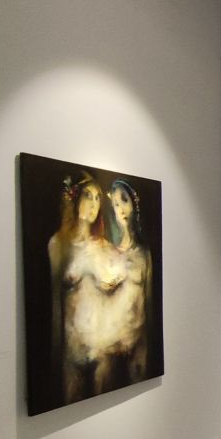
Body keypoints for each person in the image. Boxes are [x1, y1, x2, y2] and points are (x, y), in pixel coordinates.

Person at [47, 172, 122, 403]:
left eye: (98, 199)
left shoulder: (105, 248)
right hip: (72, 346)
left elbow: (116, 293)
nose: (93, 204)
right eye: (88, 196)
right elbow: (55, 301)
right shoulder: (59, 244)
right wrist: (56, 346)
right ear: (75, 198)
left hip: (101, 345)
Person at [93, 179, 152, 392]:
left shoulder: (144, 253)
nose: (121, 209)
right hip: (110, 346)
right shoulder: (109, 253)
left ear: (133, 204)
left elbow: (149, 306)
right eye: (116, 204)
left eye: (124, 201)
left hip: (136, 344)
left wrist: (144, 348)